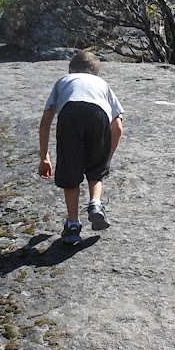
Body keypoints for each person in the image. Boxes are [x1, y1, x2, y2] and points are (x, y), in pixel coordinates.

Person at [38, 49, 124, 244]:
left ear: (71, 69)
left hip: (70, 113)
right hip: (98, 115)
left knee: (70, 172)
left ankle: (73, 225)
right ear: (95, 72)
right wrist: (106, 158)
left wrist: (44, 156)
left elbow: (46, 120)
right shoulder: (103, 84)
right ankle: (95, 204)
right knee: (96, 170)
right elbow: (118, 124)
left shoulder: (63, 81)